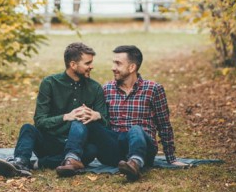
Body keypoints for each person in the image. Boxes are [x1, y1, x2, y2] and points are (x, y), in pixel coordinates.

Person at [0, 42, 109, 178]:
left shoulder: (95, 88)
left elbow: (106, 124)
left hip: (78, 146)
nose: (91, 66)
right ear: (73, 65)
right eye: (88, 63)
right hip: (50, 142)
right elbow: (40, 121)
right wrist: (66, 117)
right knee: (28, 128)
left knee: (91, 150)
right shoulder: (50, 83)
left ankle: (37, 164)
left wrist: (97, 115)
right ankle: (19, 162)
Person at [79, 45, 188, 181]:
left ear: (132, 67)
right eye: (113, 63)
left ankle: (135, 163)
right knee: (91, 123)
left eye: (118, 63)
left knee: (135, 129)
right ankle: (71, 158)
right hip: (114, 150)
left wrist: (171, 159)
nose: (113, 67)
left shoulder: (153, 89)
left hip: (144, 148)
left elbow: (164, 125)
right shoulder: (106, 89)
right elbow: (101, 121)